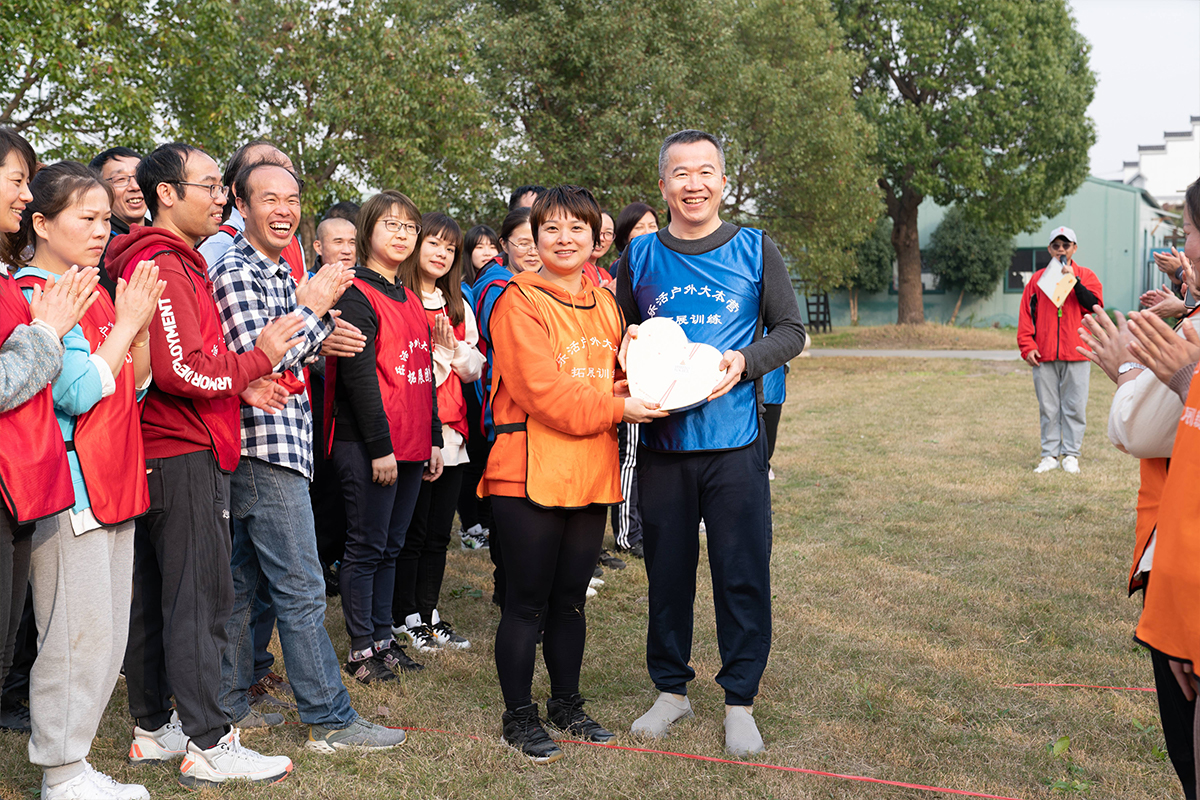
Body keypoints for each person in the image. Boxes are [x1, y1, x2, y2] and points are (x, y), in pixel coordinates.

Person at [106, 142, 300, 787]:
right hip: (179, 453)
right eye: (211, 185)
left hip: (167, 447)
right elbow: (182, 371)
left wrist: (240, 384)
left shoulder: (173, 260)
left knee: (160, 596)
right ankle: (211, 743)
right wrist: (259, 356)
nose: (222, 198)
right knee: (200, 599)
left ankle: (154, 728)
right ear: (167, 193)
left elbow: (183, 364)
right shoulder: (162, 262)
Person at [615, 130, 805, 755]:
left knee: (741, 572)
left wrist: (745, 361)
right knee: (667, 575)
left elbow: (791, 330)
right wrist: (625, 359)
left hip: (735, 443)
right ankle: (670, 691)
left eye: (705, 172)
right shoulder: (640, 255)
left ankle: (740, 701)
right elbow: (619, 334)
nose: (693, 184)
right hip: (663, 447)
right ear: (662, 184)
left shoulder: (754, 247)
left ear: (723, 180)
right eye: (680, 173)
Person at [209, 162, 405, 754]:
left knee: (244, 583)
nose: (284, 210)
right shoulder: (237, 269)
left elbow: (298, 347)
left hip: (280, 444)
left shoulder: (276, 272)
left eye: (292, 199)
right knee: (300, 585)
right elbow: (259, 355)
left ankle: (230, 702)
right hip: (262, 446)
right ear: (241, 205)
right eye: (269, 198)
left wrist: (315, 332)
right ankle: (330, 719)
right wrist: (314, 313)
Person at [479, 185, 666, 763]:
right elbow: (543, 392)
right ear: (533, 239)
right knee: (526, 604)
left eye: (577, 228)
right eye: (552, 229)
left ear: (595, 238)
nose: (565, 240)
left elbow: (608, 380)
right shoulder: (517, 301)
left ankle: (566, 704)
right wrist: (619, 406)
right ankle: (519, 717)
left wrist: (645, 377)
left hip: (589, 468)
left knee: (570, 602)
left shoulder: (606, 302)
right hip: (527, 471)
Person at [14, 161, 163, 800]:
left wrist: (136, 326)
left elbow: (135, 385)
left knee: (106, 635)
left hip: (115, 477)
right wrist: (127, 326)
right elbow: (74, 392)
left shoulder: (93, 289)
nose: (103, 230)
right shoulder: (37, 293)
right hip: (70, 485)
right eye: (87, 217)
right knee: (74, 636)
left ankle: (74, 765)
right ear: (42, 224)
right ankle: (61, 772)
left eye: (106, 218)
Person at [0, 129, 101, 742]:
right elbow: (76, 391)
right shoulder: (37, 290)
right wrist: (46, 334)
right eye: (16, 180)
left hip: (25, 488)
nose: (24, 193)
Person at [326, 190, 441, 681]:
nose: (402, 234)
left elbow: (424, 375)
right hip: (370, 444)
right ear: (368, 230)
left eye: (409, 227)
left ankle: (382, 638)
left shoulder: (410, 297)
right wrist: (380, 448)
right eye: (390, 225)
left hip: (411, 442)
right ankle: (361, 650)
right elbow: (359, 381)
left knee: (391, 547)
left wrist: (434, 438)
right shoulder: (355, 294)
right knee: (366, 546)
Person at [393, 212, 483, 652]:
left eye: (451, 248)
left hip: (453, 433)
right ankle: (404, 615)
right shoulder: (401, 298)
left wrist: (451, 350)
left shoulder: (456, 304)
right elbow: (410, 371)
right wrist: (445, 355)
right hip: (414, 432)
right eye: (434, 243)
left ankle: (428, 612)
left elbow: (474, 368)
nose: (442, 254)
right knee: (411, 531)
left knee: (438, 533)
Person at [471, 207, 542, 601]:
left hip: (538, 413)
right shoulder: (497, 287)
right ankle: (508, 589)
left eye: (538, 241)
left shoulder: (539, 282)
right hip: (505, 413)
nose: (532, 251)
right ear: (504, 245)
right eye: (523, 243)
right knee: (510, 505)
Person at [1016, 226, 1103, 475]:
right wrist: (1027, 346)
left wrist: (1073, 281)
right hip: (1044, 354)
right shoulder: (1037, 280)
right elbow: (1026, 314)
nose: (1061, 250)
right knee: (1048, 407)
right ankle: (1050, 455)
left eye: (1066, 245)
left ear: (1075, 248)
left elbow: (1094, 306)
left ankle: (1071, 455)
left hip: (1077, 352)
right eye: (1056, 245)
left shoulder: (1086, 276)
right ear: (1049, 249)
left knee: (1075, 406)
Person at [609, 202, 662, 560]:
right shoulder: (623, 269)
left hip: (657, 374)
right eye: (638, 228)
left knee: (644, 457)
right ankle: (628, 534)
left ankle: (641, 525)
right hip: (629, 377)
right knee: (629, 456)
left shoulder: (662, 265)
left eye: (652, 225)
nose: (646, 233)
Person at [311, 215, 359, 590]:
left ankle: (342, 558)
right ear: (318, 247)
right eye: (337, 242)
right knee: (323, 486)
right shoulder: (308, 288)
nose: (346, 249)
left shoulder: (362, 286)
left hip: (354, 404)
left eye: (351, 242)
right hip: (316, 401)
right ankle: (321, 560)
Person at [456, 225, 503, 550]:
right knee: (471, 457)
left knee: (482, 456)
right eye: (479, 247)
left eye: (491, 247)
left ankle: (482, 524)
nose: (486, 253)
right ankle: (470, 526)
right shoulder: (464, 289)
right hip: (465, 385)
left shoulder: (481, 287)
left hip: (479, 380)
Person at [90, 147, 146, 298]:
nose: (135, 186)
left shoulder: (164, 231)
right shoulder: (97, 244)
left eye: (140, 176)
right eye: (120, 179)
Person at [581, 210, 614, 289]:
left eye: (608, 233)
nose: (601, 238)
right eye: (596, 231)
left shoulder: (606, 276)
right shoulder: (571, 271)